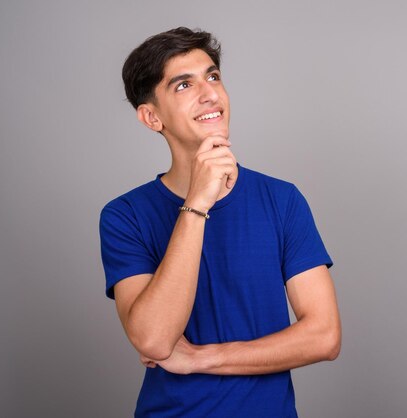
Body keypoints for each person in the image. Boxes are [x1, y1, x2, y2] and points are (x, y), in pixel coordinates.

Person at [98, 27, 341, 417]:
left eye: (213, 76)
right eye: (183, 85)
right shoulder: (124, 216)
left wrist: (201, 359)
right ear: (151, 117)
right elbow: (155, 341)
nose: (210, 93)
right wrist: (197, 202)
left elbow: (324, 336)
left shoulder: (282, 200)